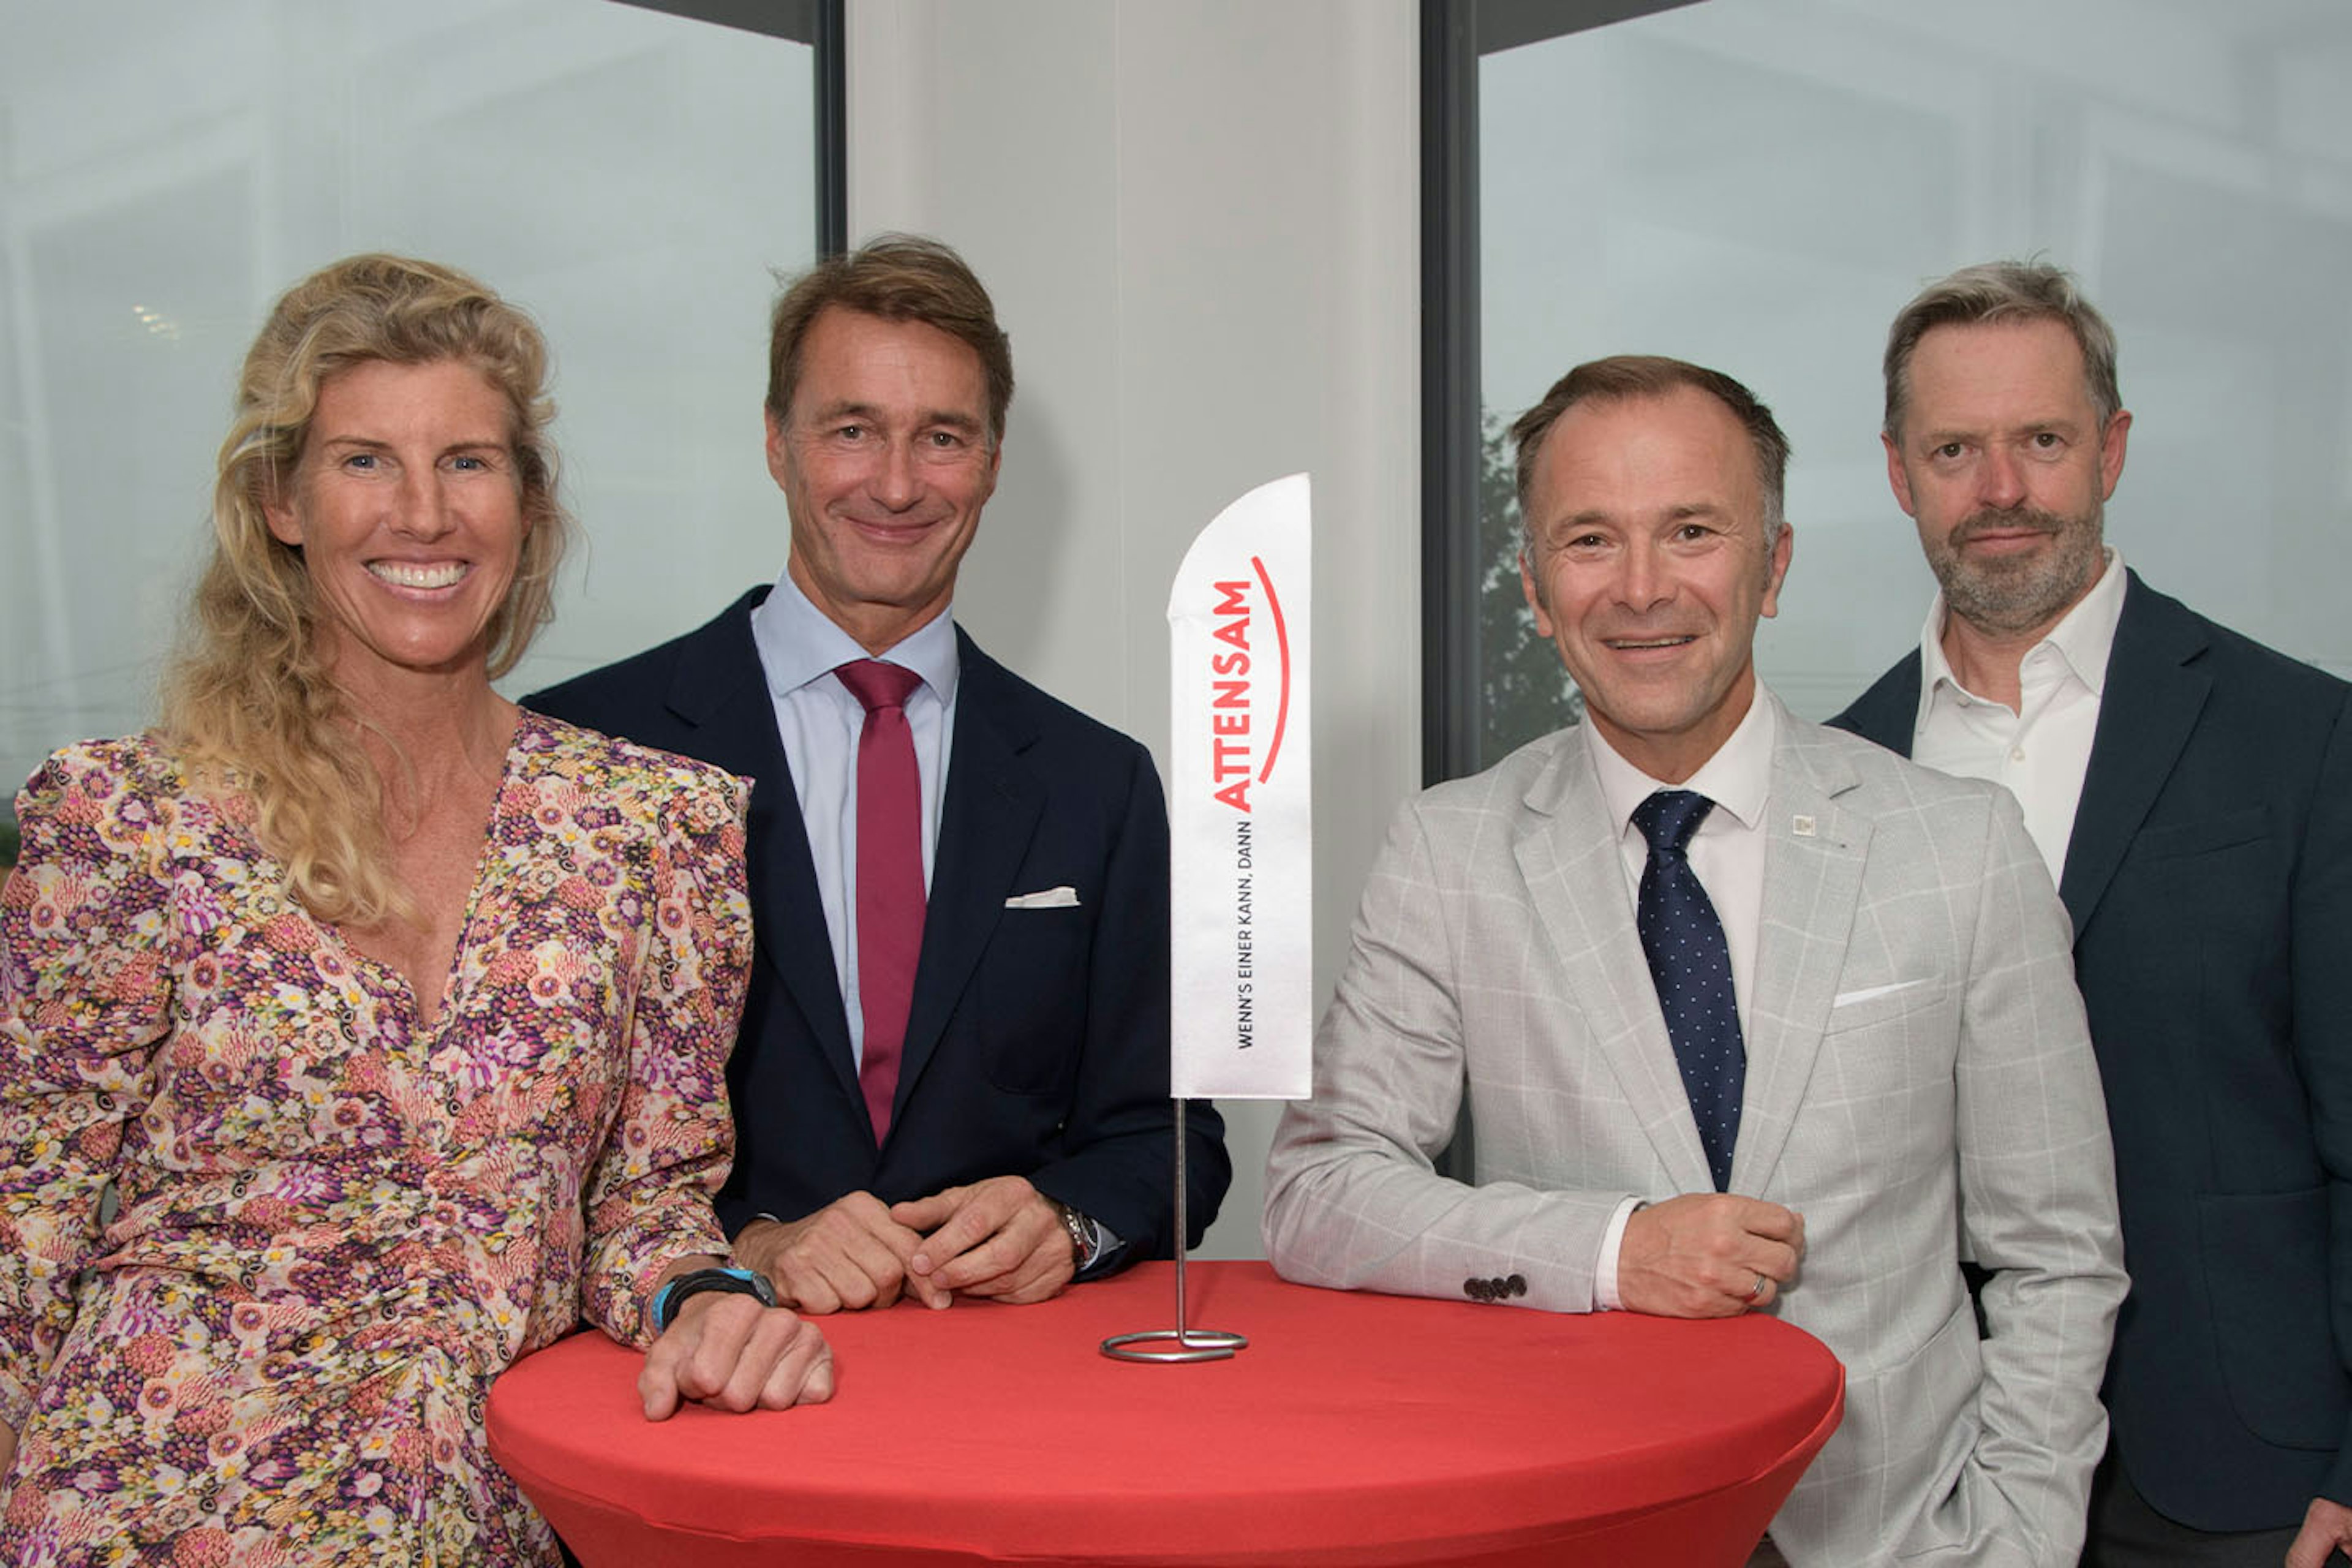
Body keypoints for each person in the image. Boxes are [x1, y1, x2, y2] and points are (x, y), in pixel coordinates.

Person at [0, 254, 832, 1567]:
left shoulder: (653, 829)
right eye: (365, 461)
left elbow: (644, 1204)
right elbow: (25, 1224)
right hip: (141, 1518)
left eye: (468, 462)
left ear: (527, 503)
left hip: (489, 1517)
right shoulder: (127, 820)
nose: (425, 513)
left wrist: (707, 1298)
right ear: (281, 501)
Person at [1263, 354, 2125, 1566]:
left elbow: (2058, 1254)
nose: (1641, 589)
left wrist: (2018, 1543)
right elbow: (1319, 1193)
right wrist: (1614, 1250)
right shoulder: (1448, 851)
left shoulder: (1960, 847)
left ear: (1772, 566)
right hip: (1583, 1531)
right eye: (1590, 540)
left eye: (1692, 531)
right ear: (1535, 586)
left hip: (1903, 1537)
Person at [530, 234, 1227, 1316]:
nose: (897, 485)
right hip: (703, 1366)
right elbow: (524, 1146)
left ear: (992, 463)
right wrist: (749, 1242)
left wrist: (1067, 1221)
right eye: (852, 430)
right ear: (777, 442)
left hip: (999, 1377)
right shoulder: (586, 751)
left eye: (941, 437)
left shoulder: (1099, 783)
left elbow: (1168, 1136)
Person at [1833, 260, 2352, 1568]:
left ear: (2111, 449)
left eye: (2043, 441)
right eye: (1954, 449)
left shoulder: (2303, 737)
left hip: (2245, 1475)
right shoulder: (1836, 773)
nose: (2000, 488)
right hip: (1924, 1474)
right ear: (1899, 473)